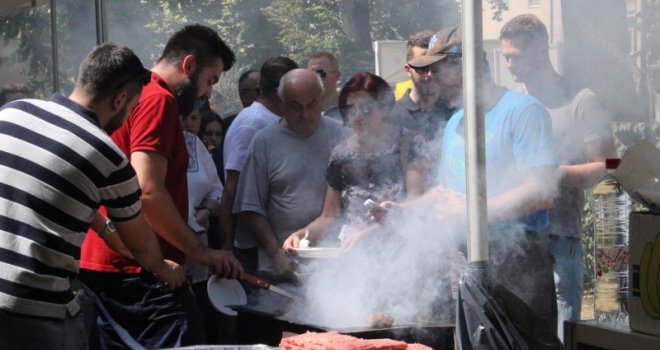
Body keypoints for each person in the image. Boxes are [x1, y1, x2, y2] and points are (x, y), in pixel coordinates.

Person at [371, 27, 562, 349]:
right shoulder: (457, 121)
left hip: (518, 265)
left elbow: (542, 191)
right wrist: (405, 210)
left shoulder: (523, 111)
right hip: (463, 261)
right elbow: (447, 187)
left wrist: (472, 212)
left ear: (465, 66)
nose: (429, 77)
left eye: (436, 68)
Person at [0, 43, 186, 350]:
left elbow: (46, 186)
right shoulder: (108, 157)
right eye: (130, 108)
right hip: (37, 310)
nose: (127, 116)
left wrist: (101, 225)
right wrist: (165, 269)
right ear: (119, 99)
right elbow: (141, 247)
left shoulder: (12, 113)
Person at [79, 24, 242, 349]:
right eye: (210, 80)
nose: (208, 94)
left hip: (116, 264)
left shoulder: (142, 92)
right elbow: (148, 191)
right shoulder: (158, 99)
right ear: (189, 65)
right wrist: (200, 251)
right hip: (139, 270)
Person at [500, 14, 615, 340]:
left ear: (540, 49)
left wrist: (554, 174)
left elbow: (612, 165)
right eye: (505, 56)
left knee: (563, 338)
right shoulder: (511, 104)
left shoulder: (582, 101)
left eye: (515, 56)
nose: (509, 64)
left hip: (562, 236)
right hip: (514, 238)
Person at [283, 71, 428, 251]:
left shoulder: (409, 143)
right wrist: (301, 235)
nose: (358, 116)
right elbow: (330, 216)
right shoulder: (341, 154)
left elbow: (419, 203)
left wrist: (370, 233)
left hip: (402, 252)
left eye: (366, 109)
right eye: (350, 109)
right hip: (356, 257)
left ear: (384, 107)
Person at [234, 69, 346, 277]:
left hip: (334, 263)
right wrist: (276, 254)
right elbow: (251, 207)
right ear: (281, 104)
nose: (304, 114)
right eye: (295, 106)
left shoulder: (342, 135)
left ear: (322, 100)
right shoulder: (264, 142)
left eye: (311, 105)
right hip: (281, 266)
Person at [220, 56, 298, 275]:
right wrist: (227, 248)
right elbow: (232, 188)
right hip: (253, 249)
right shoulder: (253, 123)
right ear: (279, 90)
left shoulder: (272, 118)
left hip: (278, 244)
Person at [387, 30, 461, 185]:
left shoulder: (457, 112)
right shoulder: (392, 116)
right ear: (408, 70)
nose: (430, 74)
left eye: (435, 68)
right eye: (422, 68)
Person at [307, 51, 342, 123]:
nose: (314, 80)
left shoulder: (350, 110)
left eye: (319, 74)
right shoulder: (304, 112)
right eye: (310, 75)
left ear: (337, 76)